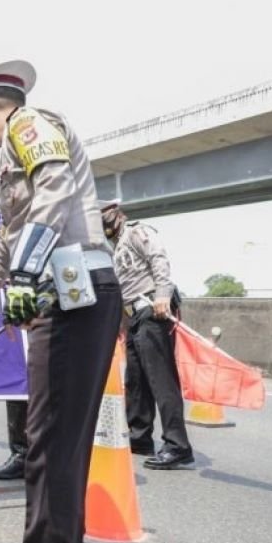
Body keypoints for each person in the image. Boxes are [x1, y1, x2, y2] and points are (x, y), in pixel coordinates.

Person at [0, 60, 121, 543]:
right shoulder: (9, 163)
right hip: (70, 294)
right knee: (58, 444)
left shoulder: (28, 124)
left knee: (50, 444)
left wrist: (27, 274)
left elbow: (56, 187)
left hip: (74, 293)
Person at [99, 199, 193, 470]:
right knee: (136, 381)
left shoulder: (137, 232)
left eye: (105, 217)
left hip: (152, 309)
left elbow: (158, 258)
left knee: (161, 380)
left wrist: (163, 293)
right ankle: (140, 437)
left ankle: (177, 445)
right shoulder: (114, 247)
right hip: (133, 317)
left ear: (117, 214)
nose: (103, 224)